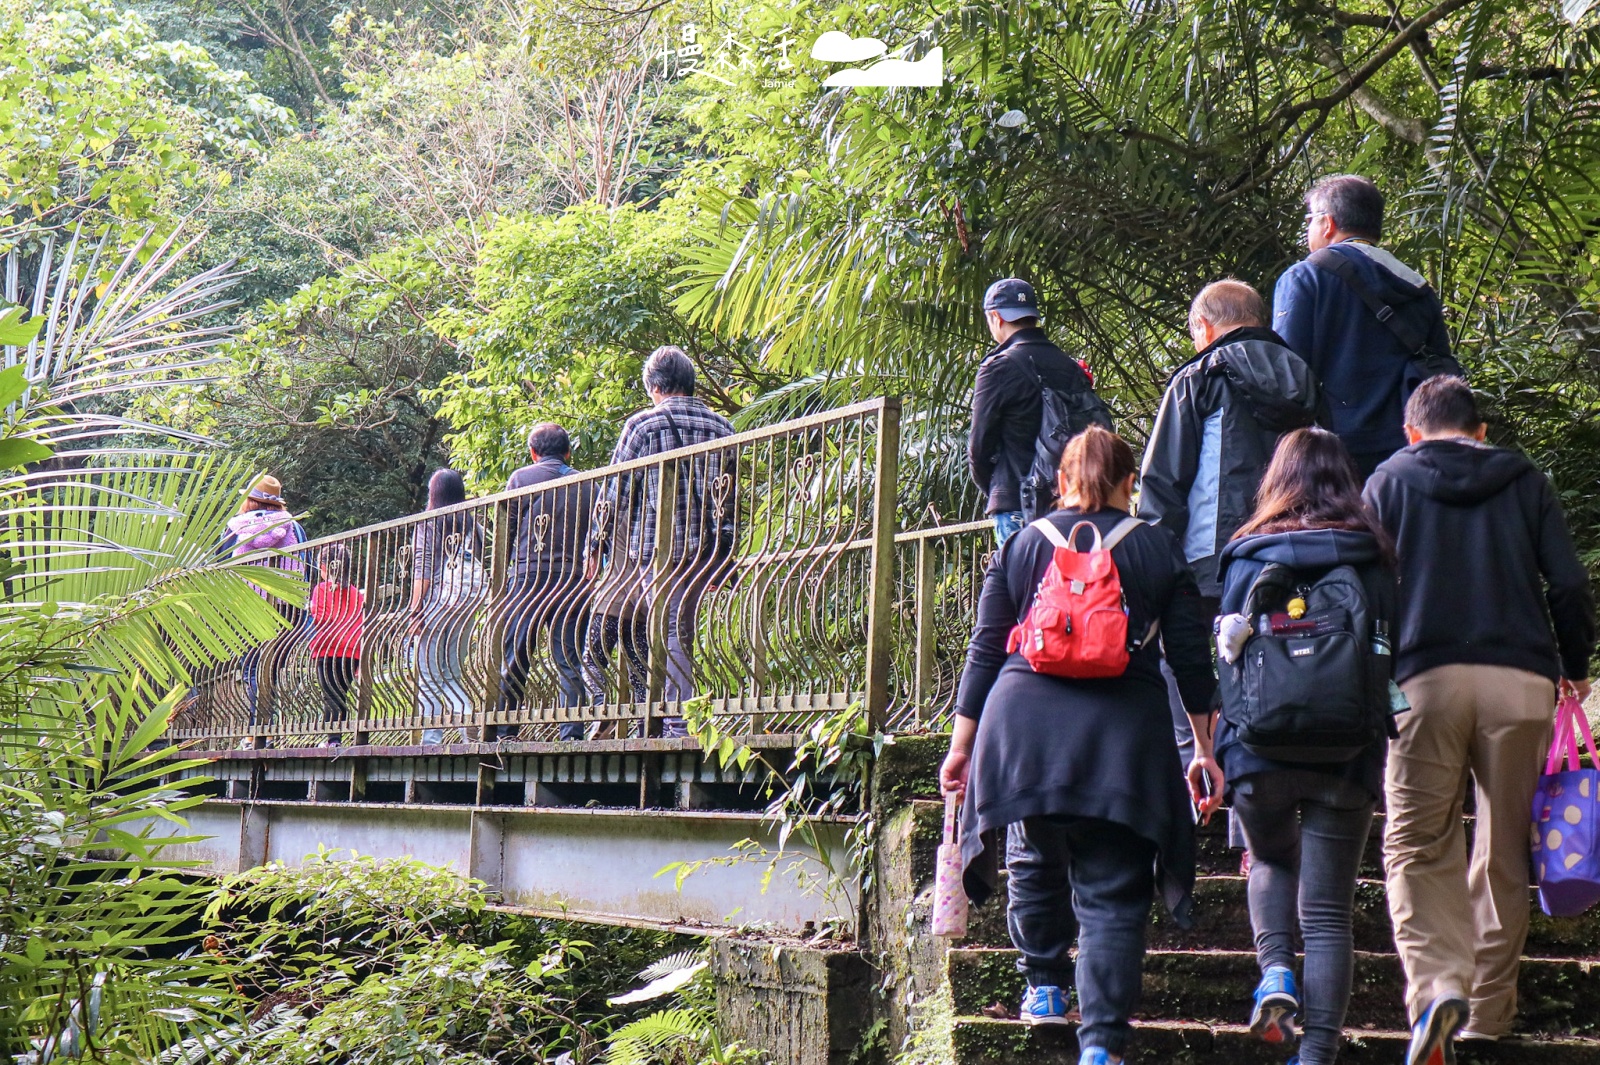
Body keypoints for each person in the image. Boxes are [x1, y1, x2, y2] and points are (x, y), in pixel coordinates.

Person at [940, 426, 1223, 1065]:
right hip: (1123, 742)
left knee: (1034, 853)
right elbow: (1189, 660)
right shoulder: (1157, 550)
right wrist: (1203, 749)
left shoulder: (1020, 546)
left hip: (1023, 732)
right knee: (1116, 892)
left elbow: (987, 648)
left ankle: (1042, 986)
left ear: (1061, 484)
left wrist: (962, 744)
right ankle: (1100, 1047)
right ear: (1130, 485)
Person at [1363, 376, 1595, 1061]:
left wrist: (1376, 675)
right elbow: (1570, 583)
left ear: (1413, 430)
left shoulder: (1388, 481)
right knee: (1502, 846)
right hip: (1520, 683)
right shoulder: (1525, 479)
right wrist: (1575, 666)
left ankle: (1437, 986)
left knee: (1416, 841)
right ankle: (1488, 1016)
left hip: (1421, 681)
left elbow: (1369, 588)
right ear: (1481, 430)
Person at [1213, 428, 1397, 1065]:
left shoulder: (1244, 554)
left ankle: (1277, 973)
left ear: (1276, 480)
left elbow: (1226, 657)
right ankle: (1316, 1053)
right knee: (1326, 913)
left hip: (1259, 753)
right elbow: (1390, 649)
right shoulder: (1372, 556)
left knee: (1269, 861)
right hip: (1346, 754)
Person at [1139, 279, 1320, 769]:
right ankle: (1260, 776)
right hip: (1292, 550)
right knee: (1269, 653)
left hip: (1210, 558)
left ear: (1204, 325)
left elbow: (1163, 481)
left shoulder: (1197, 378)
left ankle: (1195, 768)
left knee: (1186, 658)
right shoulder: (1303, 375)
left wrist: (1151, 560)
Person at [586, 346, 735, 737]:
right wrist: (725, 556)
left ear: (654, 387)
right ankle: (670, 716)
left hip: (658, 548)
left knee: (668, 630)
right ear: (689, 383)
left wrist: (595, 548)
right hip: (703, 548)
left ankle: (674, 722)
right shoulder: (723, 428)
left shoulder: (643, 426)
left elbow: (613, 493)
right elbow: (728, 499)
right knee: (682, 630)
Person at [1273, 175, 1457, 478]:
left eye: (1310, 220)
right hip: (1410, 456)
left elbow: (1286, 379)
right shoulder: (1417, 285)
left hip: (1331, 460)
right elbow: (1440, 369)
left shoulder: (1305, 278)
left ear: (1328, 223)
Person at [968, 277, 1112, 545]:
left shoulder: (997, 368)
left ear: (996, 318)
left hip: (1017, 505)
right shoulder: (1068, 365)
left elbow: (979, 448)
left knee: (1023, 586)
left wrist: (999, 488)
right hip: (1068, 504)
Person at [496, 422, 595, 742]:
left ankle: (505, 732)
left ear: (533, 453)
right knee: (570, 659)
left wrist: (501, 578)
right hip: (572, 578)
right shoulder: (586, 483)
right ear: (568, 452)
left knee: (516, 656)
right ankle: (572, 733)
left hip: (529, 577)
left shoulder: (521, 478)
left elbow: (506, 533)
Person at [223, 474, 306, 748]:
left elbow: (222, 566)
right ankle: (269, 731)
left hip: (249, 606)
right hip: (286, 606)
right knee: (272, 668)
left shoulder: (235, 527)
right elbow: (305, 562)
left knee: (251, 668)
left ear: (248, 499)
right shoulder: (292, 525)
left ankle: (254, 733)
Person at [409, 469, 486, 745]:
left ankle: (431, 739)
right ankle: (467, 719)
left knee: (428, 674)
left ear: (434, 493)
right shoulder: (472, 526)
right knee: (451, 671)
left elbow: (423, 570)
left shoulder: (430, 521)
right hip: (466, 605)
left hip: (437, 604)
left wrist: (415, 610)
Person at [308, 544, 364, 746]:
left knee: (330, 694)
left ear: (325, 566)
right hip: (351, 651)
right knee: (341, 692)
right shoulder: (356, 592)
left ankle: (333, 739)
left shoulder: (320, 589)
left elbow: (320, 617)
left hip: (327, 648)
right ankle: (336, 738)